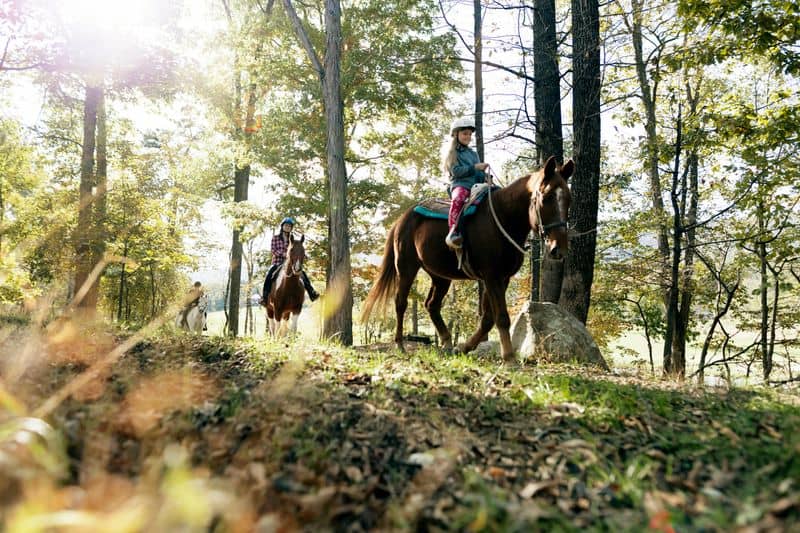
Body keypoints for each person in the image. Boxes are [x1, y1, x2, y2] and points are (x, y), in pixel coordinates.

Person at [442, 116, 492, 249]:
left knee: (496, 196)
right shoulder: (453, 153)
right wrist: (475, 167)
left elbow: (478, 174)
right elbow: (455, 171)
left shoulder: (473, 154)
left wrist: (486, 177)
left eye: (470, 134)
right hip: (461, 185)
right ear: (456, 134)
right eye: (465, 133)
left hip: (476, 186)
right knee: (458, 199)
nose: (468, 136)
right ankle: (453, 232)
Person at [262, 217, 319, 303]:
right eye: (286, 225)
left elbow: (297, 250)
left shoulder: (293, 240)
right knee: (269, 274)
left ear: (291, 228)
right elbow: (273, 250)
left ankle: (312, 292)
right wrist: (283, 254)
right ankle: (265, 297)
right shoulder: (276, 238)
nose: (287, 227)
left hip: (289, 263)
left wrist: (302, 256)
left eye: (289, 226)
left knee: (303, 274)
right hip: (278, 262)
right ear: (282, 226)